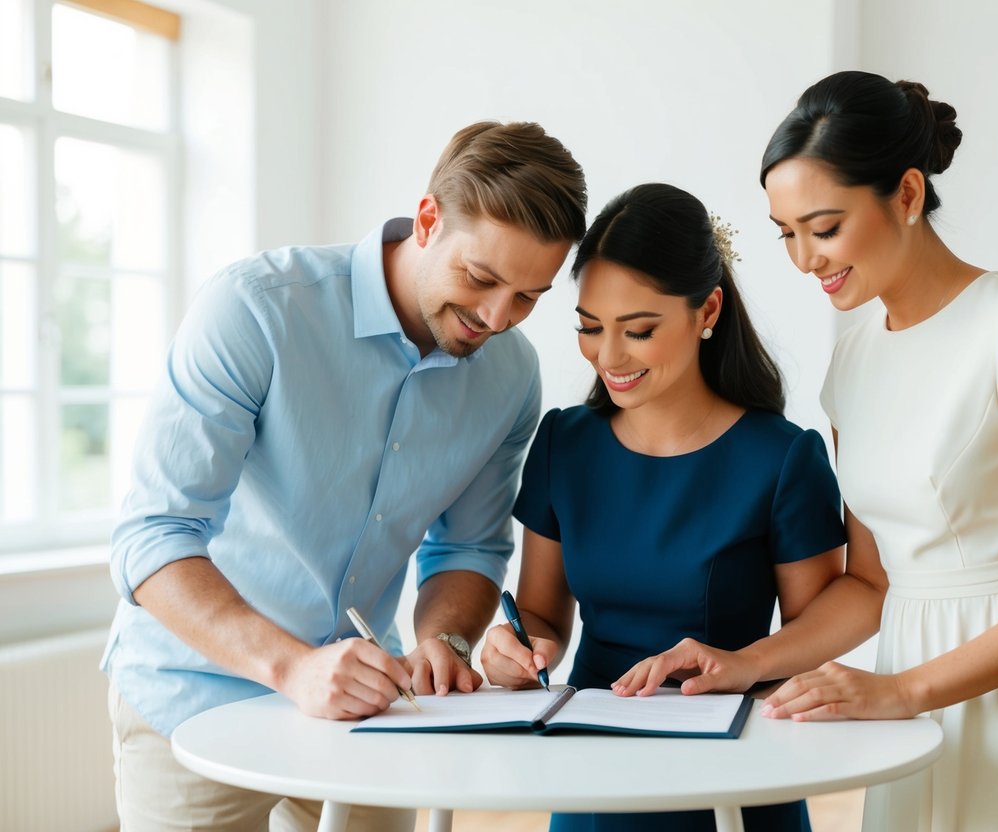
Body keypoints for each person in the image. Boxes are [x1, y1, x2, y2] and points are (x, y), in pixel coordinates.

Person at [102, 120, 587, 831]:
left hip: (367, 703)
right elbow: (153, 535)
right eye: (480, 279)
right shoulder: (257, 310)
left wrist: (445, 643)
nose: (495, 316)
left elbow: (466, 550)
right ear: (427, 220)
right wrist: (293, 668)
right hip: (191, 691)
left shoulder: (510, 377)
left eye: (526, 298)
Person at [751, 70, 998, 830]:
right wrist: (748, 664)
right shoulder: (852, 360)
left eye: (823, 228)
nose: (805, 260)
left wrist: (903, 691)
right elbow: (869, 582)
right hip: (905, 708)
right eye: (786, 234)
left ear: (907, 195)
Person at [480, 182, 848, 832]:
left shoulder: (782, 458)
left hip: (730, 769)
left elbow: (812, 635)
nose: (608, 356)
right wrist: (515, 647)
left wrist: (749, 666)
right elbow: (540, 614)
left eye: (639, 330)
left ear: (707, 310)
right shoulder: (564, 442)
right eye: (589, 327)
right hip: (594, 771)